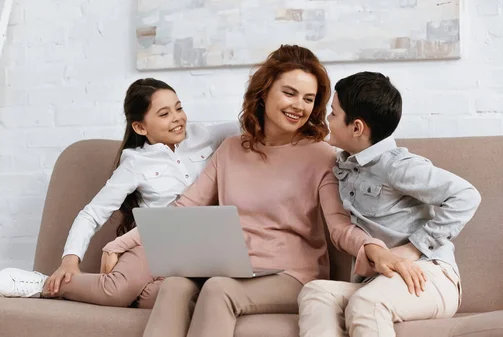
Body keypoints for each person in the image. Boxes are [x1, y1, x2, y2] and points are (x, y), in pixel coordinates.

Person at [102, 45, 391, 337]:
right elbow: (182, 209)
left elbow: (339, 227)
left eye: (308, 99)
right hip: (234, 268)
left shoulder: (321, 156)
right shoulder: (231, 149)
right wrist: (118, 245)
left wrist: (371, 248)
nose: (299, 106)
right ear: (264, 92)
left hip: (291, 275)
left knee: (218, 289)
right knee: (175, 283)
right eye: (289, 93)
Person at [0, 78, 240, 309]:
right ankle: (44, 285)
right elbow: (92, 213)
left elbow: (251, 121)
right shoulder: (135, 163)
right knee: (117, 290)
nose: (177, 119)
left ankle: (125, 293)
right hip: (152, 243)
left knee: (174, 297)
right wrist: (70, 260)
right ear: (140, 127)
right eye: (164, 114)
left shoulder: (205, 137)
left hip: (200, 248)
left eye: (179, 108)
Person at [297, 71, 482, 337]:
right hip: (382, 281)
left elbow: (466, 195)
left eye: (334, 113)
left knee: (366, 304)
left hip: (429, 278)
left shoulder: (397, 165)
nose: (327, 118)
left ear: (357, 127)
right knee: (316, 293)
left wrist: (415, 247)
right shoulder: (345, 165)